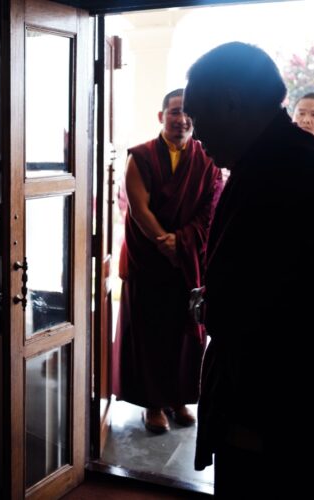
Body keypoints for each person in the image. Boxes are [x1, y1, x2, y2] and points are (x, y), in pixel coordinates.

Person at [184, 42, 314, 497]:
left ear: (231, 102)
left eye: (198, 118)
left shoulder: (295, 171)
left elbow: (294, 308)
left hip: (275, 408)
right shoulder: (273, 161)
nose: (196, 135)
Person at [112, 89, 223, 434]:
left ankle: (179, 399)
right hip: (148, 259)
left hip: (188, 261)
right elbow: (138, 207)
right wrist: (165, 241)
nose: (183, 119)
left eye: (188, 113)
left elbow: (212, 207)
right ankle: (152, 404)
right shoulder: (142, 156)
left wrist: (183, 241)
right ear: (161, 116)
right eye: (175, 112)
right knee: (150, 332)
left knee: (185, 334)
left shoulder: (206, 158)